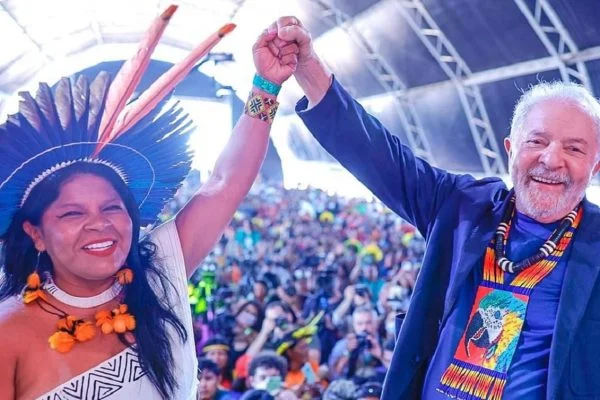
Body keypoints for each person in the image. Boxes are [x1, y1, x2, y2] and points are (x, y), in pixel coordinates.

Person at [262, 16, 600, 400]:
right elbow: (378, 155)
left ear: (595, 167)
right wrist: (307, 66)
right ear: (510, 150)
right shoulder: (462, 207)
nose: (551, 160)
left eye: (574, 148)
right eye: (536, 141)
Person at [0, 6, 298, 399]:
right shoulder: (8, 333)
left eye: (112, 207)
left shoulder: (158, 278)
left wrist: (266, 86)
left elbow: (223, 185)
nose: (99, 224)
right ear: (35, 233)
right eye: (72, 213)